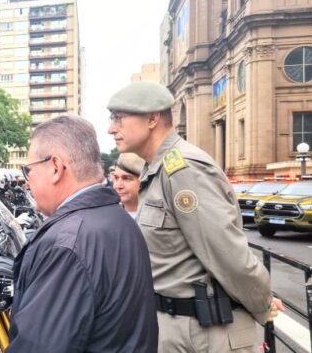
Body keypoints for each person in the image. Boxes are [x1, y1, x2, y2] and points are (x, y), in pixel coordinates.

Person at [106, 81, 283, 352]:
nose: (111, 128)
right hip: (178, 327)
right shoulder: (158, 169)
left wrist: (263, 302)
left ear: (152, 118)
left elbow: (227, 253)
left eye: (119, 118)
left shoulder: (183, 168)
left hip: (207, 332)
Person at [7, 116, 158, 352]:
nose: (27, 182)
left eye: (29, 170)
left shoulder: (67, 244)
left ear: (56, 167)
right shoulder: (117, 219)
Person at [112, 153, 145, 218]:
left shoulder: (160, 215)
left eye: (126, 178)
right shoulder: (109, 216)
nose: (118, 186)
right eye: (116, 178)